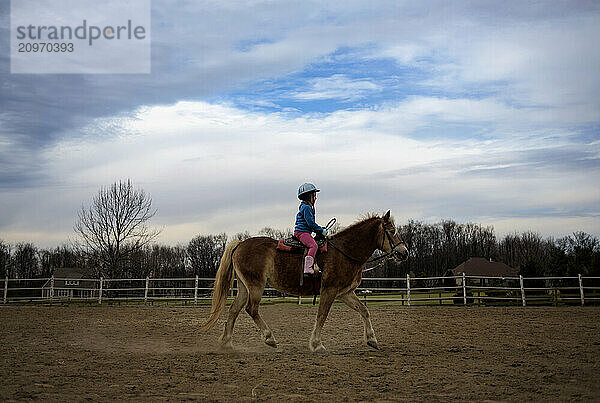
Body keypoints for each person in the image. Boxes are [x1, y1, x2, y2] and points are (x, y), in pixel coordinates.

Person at [294, 183, 328, 275]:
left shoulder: (307, 207)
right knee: (314, 246)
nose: (315, 198)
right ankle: (307, 268)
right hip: (302, 232)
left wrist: (319, 229)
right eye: (314, 195)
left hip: (305, 231)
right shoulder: (307, 208)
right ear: (309, 196)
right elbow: (310, 224)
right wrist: (321, 230)